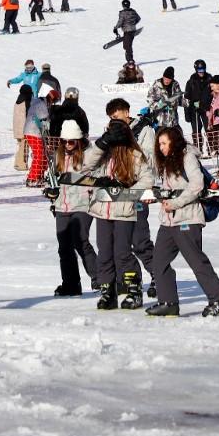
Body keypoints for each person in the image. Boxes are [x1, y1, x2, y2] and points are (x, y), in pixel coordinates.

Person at [144, 125, 219, 317]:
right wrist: (157, 196)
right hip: (168, 221)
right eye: (159, 144)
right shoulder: (168, 162)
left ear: (174, 142)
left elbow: (196, 185)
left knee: (196, 261)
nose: (161, 147)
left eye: (164, 143)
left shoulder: (187, 157)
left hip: (188, 218)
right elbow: (173, 189)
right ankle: (168, 302)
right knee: (158, 262)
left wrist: (175, 203)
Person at [80, 110, 154, 310]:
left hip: (123, 210)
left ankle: (133, 290)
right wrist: (102, 143)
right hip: (102, 209)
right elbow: (84, 167)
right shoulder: (103, 155)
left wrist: (127, 191)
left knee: (122, 252)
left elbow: (147, 179)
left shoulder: (134, 155)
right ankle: (108, 291)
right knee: (104, 252)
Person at [44, 120, 99, 296]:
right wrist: (50, 190)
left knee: (80, 240)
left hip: (83, 204)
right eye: (64, 141)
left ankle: (100, 278)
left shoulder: (89, 155)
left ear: (79, 140)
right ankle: (71, 284)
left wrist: (90, 191)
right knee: (64, 246)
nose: (67, 145)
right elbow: (50, 178)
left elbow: (98, 178)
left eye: (71, 141)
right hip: (62, 205)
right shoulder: (57, 155)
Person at [113, 0, 142, 64]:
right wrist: (133, 24)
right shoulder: (133, 11)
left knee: (127, 46)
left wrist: (115, 28)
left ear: (123, 5)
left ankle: (130, 60)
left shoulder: (122, 13)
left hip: (127, 31)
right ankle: (129, 60)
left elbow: (120, 22)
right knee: (127, 45)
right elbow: (138, 18)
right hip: (133, 30)